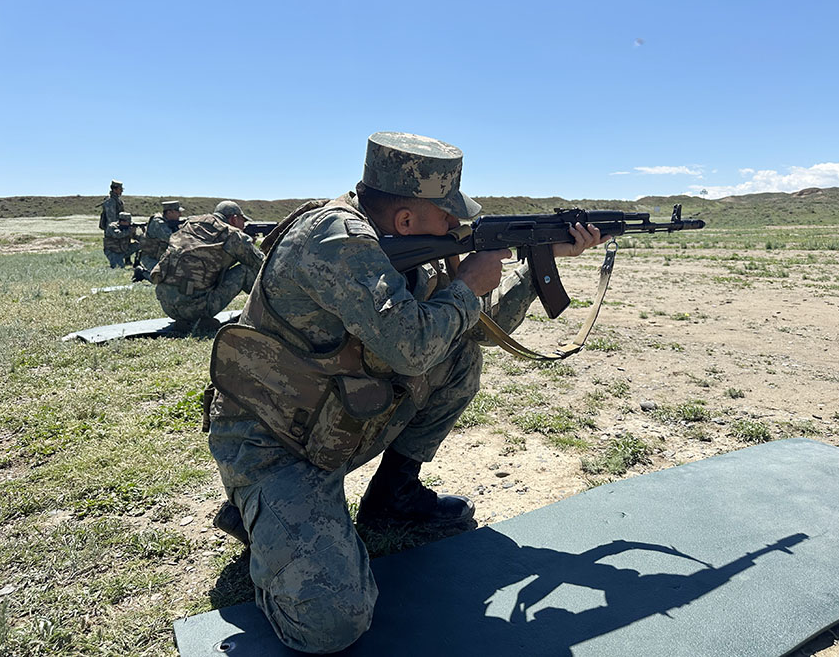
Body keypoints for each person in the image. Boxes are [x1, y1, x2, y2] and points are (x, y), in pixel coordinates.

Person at [206, 132, 607, 653]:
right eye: (448, 216)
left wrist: (535, 265)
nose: (457, 227)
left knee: (459, 357)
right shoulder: (336, 240)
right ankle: (261, 515)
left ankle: (393, 498)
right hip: (276, 442)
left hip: (336, 418)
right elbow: (412, 349)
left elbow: (477, 332)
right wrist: (467, 287)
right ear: (405, 220)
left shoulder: (404, 245)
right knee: (330, 625)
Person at [150, 200, 264, 330]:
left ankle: (190, 320)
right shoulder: (233, 235)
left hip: (167, 305)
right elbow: (261, 264)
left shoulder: (190, 224)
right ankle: (269, 314)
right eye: (243, 221)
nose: (244, 225)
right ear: (234, 219)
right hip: (195, 308)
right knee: (245, 271)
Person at [132, 200, 186, 282]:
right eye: (178, 212)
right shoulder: (157, 222)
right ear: (169, 212)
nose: (180, 214)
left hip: (164, 258)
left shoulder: (170, 222)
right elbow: (172, 239)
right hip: (150, 257)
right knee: (163, 280)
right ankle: (142, 273)